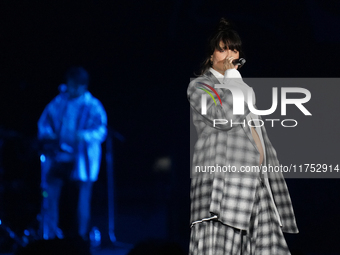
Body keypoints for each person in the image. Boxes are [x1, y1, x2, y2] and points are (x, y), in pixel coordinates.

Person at [187, 18, 298, 254]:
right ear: (210, 56)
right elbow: (225, 117)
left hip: (256, 185)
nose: (230, 54)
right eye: (223, 48)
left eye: (234, 48)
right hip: (222, 187)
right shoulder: (199, 86)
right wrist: (233, 80)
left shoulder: (243, 88)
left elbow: (257, 134)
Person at [38, 66, 107, 240]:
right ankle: (51, 234)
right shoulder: (59, 101)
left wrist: (84, 136)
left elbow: (101, 130)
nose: (69, 88)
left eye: (74, 85)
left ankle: (81, 238)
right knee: (51, 194)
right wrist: (49, 135)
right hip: (60, 157)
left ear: (82, 86)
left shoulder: (92, 105)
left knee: (81, 200)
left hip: (81, 160)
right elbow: (44, 122)